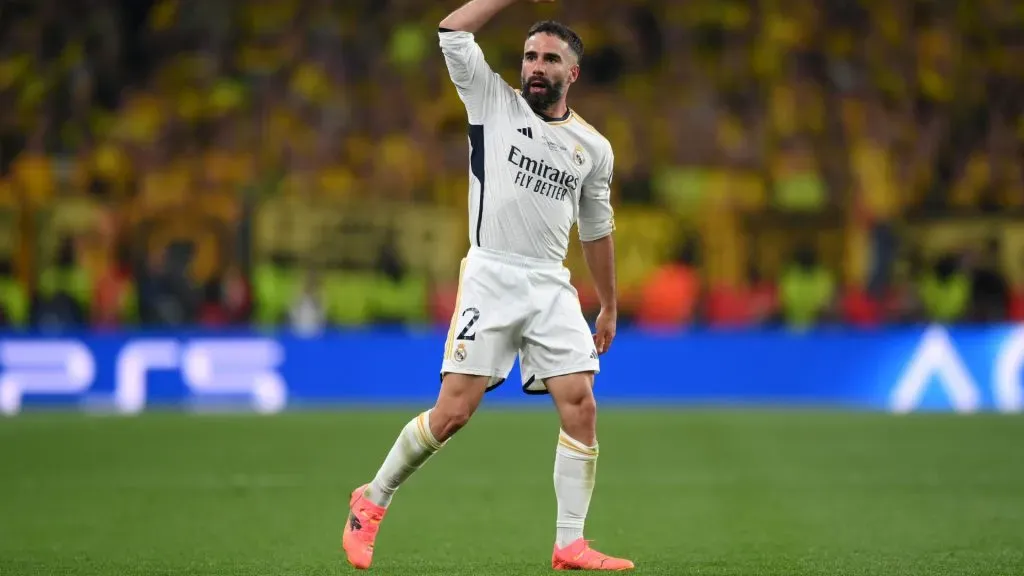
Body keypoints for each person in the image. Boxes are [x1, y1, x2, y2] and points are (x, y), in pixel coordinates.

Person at [342, 0, 632, 571]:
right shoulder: (490, 99)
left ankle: (569, 542)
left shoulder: (592, 149)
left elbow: (598, 230)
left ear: (572, 73)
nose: (536, 66)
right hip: (492, 276)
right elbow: (451, 30)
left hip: (551, 286)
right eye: (529, 56)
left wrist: (610, 306)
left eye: (550, 59)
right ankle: (371, 500)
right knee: (453, 412)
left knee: (580, 405)